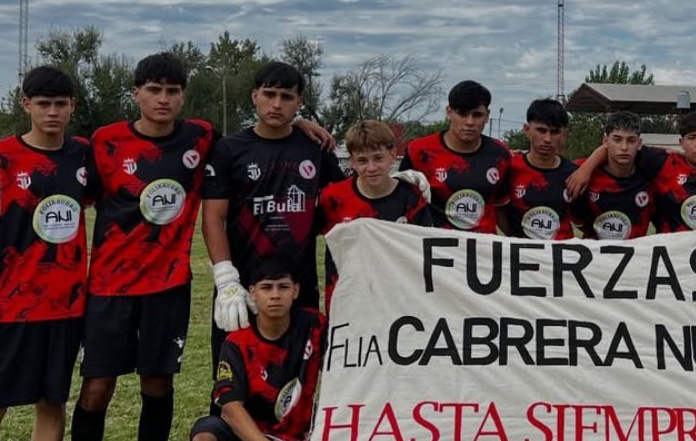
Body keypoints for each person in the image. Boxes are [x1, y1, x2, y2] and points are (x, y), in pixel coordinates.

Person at [60, 53, 217, 441]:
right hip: (109, 287)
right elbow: (67, 191)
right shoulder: (105, 142)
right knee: (96, 388)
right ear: (137, 93)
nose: (163, 99)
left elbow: (256, 147)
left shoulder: (201, 137)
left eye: (173, 91)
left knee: (158, 385)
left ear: (183, 96)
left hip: (168, 288)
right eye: (154, 90)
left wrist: (314, 129)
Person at [0, 66, 98, 441]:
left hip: (67, 305)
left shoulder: (85, 155)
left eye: (61, 103)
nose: (52, 112)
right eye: (43, 103)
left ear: (72, 106)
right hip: (9, 305)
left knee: (52, 403)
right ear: (25, 104)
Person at [189, 256, 346, 441]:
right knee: (204, 436)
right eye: (267, 287)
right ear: (252, 293)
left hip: (297, 439)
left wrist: (325, 428)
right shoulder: (236, 342)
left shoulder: (315, 325)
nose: (275, 295)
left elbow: (347, 372)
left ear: (296, 291)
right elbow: (231, 410)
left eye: (283, 287)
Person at [201, 61, 344, 371]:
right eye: (269, 94)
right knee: (232, 379)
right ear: (254, 96)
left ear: (299, 102)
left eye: (287, 96)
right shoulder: (229, 148)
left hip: (297, 284)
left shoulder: (315, 147)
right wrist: (226, 280)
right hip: (243, 284)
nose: (277, 104)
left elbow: (347, 200)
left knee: (296, 376)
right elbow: (213, 217)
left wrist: (399, 184)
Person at [319, 119, 433, 310]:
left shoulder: (411, 196)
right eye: (362, 160)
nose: (371, 167)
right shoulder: (333, 198)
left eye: (378, 158)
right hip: (347, 300)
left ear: (392, 156)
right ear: (352, 162)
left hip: (398, 299)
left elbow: (424, 252)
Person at [398, 80, 512, 234]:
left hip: (483, 249)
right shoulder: (419, 150)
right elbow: (399, 201)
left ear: (487, 116)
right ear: (449, 112)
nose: (469, 122)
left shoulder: (500, 154)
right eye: (462, 114)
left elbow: (501, 207)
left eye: (477, 115)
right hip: (434, 247)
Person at [569, 111, 670, 240]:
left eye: (631, 140)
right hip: (594, 257)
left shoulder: (652, 175)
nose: (624, 147)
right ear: (605, 141)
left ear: (639, 144)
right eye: (617, 139)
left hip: (636, 257)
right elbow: (577, 220)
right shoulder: (581, 172)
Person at [503, 98, 579, 240]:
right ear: (527, 130)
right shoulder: (510, 168)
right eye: (541, 130)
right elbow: (498, 207)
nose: (547, 139)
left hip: (561, 257)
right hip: (520, 255)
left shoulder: (575, 174)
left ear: (564, 135)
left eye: (554, 132)